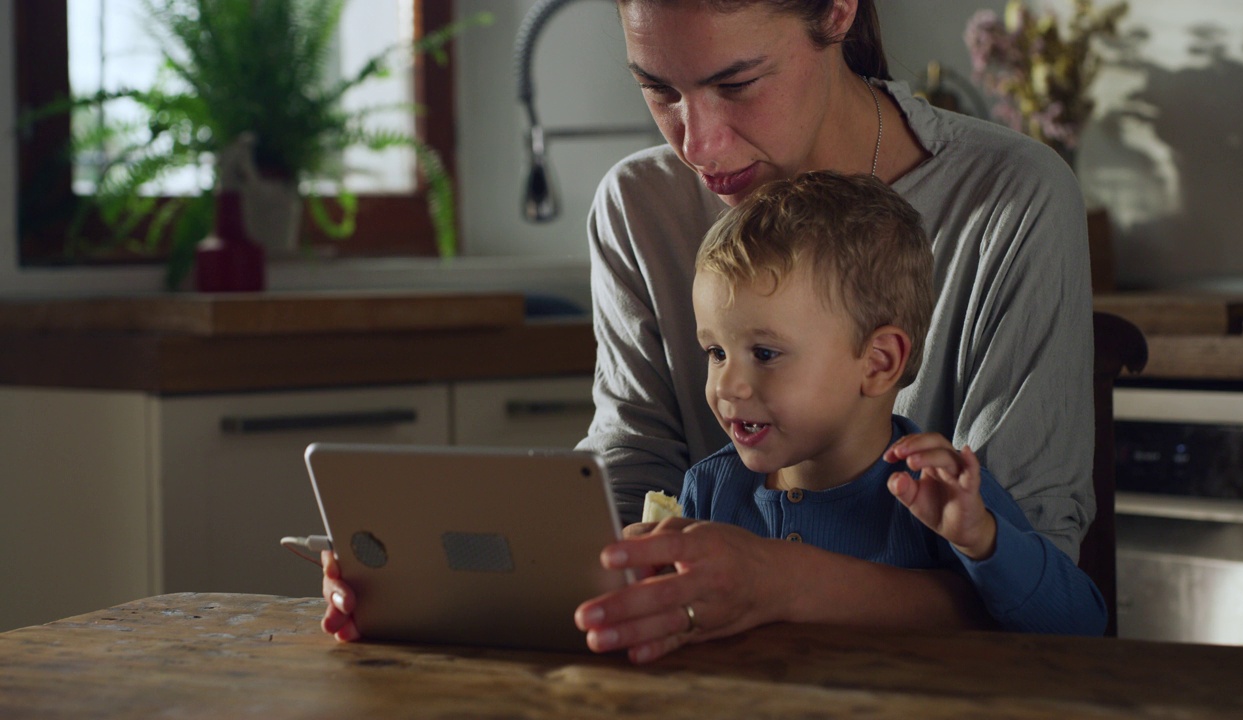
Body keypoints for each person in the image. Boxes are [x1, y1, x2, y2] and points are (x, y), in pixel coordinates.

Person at [322, 0, 1094, 653]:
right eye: (658, 89)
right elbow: (627, 484)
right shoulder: (637, 205)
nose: (698, 144)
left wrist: (778, 580)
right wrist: (443, 591)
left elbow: (1035, 581)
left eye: (738, 83)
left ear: (835, 12)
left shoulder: (1012, 199)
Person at [576, 170, 1106, 661]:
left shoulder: (942, 495)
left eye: (764, 353)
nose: (727, 385)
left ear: (878, 363)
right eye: (715, 352)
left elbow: (1081, 628)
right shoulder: (708, 490)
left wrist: (985, 539)